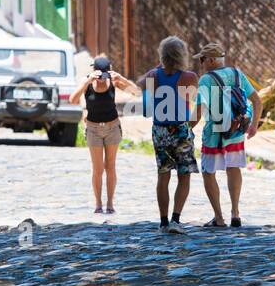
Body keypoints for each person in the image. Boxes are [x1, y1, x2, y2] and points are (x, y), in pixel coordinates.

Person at [189, 42, 261, 228]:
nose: (201, 64)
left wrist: (185, 128)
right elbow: (256, 100)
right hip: (236, 132)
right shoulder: (237, 74)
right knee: (233, 168)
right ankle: (235, 213)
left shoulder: (206, 79)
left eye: (203, 60)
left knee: (208, 172)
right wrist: (253, 126)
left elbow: (198, 113)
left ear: (212, 60)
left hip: (215, 134)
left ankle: (219, 218)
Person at [136, 36, 199, 233]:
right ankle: (176, 219)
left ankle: (163, 221)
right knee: (184, 175)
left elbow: (140, 84)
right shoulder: (189, 77)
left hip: (160, 130)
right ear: (182, 55)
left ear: (162, 55)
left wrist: (158, 68)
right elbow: (193, 100)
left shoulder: (153, 76)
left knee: (163, 175)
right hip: (180, 129)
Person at [70, 55, 137, 214]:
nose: (101, 78)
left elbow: (136, 91)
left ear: (109, 72)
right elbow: (73, 100)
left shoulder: (113, 81)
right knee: (98, 168)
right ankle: (98, 203)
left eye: (104, 74)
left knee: (110, 166)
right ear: (94, 71)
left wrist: (122, 78)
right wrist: (87, 82)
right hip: (93, 128)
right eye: (99, 75)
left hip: (112, 127)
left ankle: (110, 203)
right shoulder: (87, 82)